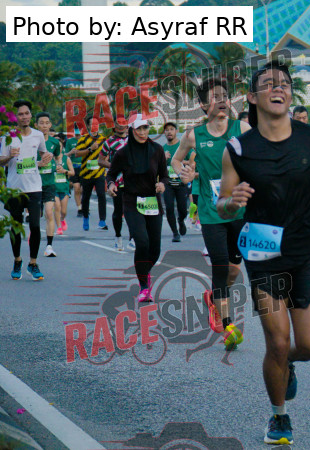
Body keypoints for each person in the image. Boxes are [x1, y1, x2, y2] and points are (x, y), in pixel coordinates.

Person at [216, 59, 310, 447]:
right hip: (262, 256)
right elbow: (222, 204)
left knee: (309, 346)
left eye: (285, 84)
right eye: (269, 83)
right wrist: (232, 201)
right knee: (276, 341)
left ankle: (287, 362)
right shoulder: (238, 149)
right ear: (252, 97)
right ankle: (279, 416)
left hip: (304, 251)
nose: (278, 88)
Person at [172, 77, 251, 351]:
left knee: (234, 268)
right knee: (220, 267)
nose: (221, 101)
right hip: (211, 212)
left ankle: (213, 299)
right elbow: (176, 160)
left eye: (224, 96)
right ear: (204, 105)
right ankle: (228, 326)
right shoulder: (194, 135)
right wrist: (184, 173)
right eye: (215, 97)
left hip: (240, 210)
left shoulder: (242, 128)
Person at [106, 115, 168, 302]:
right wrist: (111, 185)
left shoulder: (157, 150)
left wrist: (162, 184)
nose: (142, 132)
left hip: (153, 201)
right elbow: (111, 174)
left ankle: (144, 272)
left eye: (145, 128)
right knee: (142, 243)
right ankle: (143, 286)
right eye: (138, 129)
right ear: (131, 130)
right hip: (132, 201)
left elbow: (164, 175)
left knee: (154, 249)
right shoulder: (123, 153)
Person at [0, 100, 50, 280]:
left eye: (27, 113)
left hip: (34, 187)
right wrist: (8, 157)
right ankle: (17, 260)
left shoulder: (38, 135)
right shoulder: (8, 137)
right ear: (15, 117)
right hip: (15, 189)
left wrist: (47, 157)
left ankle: (33, 263)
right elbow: (0, 160)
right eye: (20, 114)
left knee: (35, 226)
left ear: (30, 115)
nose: (24, 117)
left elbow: (43, 153)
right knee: (16, 226)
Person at [99, 117, 130, 251]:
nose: (121, 126)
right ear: (114, 126)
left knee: (133, 209)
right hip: (116, 181)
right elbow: (100, 160)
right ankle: (118, 236)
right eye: (118, 123)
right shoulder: (109, 142)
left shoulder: (133, 140)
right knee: (119, 210)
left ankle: (133, 238)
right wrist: (114, 166)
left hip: (133, 180)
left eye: (124, 124)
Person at [74, 114, 108, 231]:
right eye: (92, 124)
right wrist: (90, 149)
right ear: (88, 126)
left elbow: (107, 152)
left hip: (99, 173)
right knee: (86, 197)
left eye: (97, 124)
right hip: (86, 174)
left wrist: (106, 160)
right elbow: (77, 153)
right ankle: (85, 217)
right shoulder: (83, 139)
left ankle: (102, 220)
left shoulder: (103, 139)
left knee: (101, 195)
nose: (95, 126)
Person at [35, 112, 62, 257]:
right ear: (36, 125)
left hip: (49, 183)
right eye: (41, 123)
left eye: (47, 123)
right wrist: (38, 163)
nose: (44, 126)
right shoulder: (31, 141)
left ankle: (49, 246)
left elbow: (58, 156)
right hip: (34, 183)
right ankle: (33, 237)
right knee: (36, 216)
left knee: (49, 212)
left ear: (50, 125)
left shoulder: (54, 142)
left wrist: (59, 164)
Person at [162, 121, 190, 243]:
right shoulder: (162, 149)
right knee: (169, 208)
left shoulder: (182, 146)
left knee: (182, 209)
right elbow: (155, 166)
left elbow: (193, 160)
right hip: (168, 184)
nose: (169, 132)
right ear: (164, 133)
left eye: (171, 129)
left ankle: (181, 220)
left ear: (176, 131)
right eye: (167, 130)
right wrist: (163, 159)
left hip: (181, 183)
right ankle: (175, 232)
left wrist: (182, 162)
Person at [54, 153, 75, 235]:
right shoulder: (51, 158)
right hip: (54, 189)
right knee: (57, 207)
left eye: (59, 147)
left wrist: (64, 171)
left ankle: (62, 219)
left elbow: (72, 172)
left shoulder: (66, 159)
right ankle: (59, 227)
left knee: (63, 211)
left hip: (64, 188)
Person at [63, 129, 82, 217]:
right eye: (76, 133)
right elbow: (65, 155)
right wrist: (71, 152)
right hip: (74, 167)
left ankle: (85, 205)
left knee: (83, 189)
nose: (77, 135)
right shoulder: (70, 141)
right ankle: (80, 208)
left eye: (79, 133)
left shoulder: (85, 140)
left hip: (84, 167)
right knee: (76, 188)